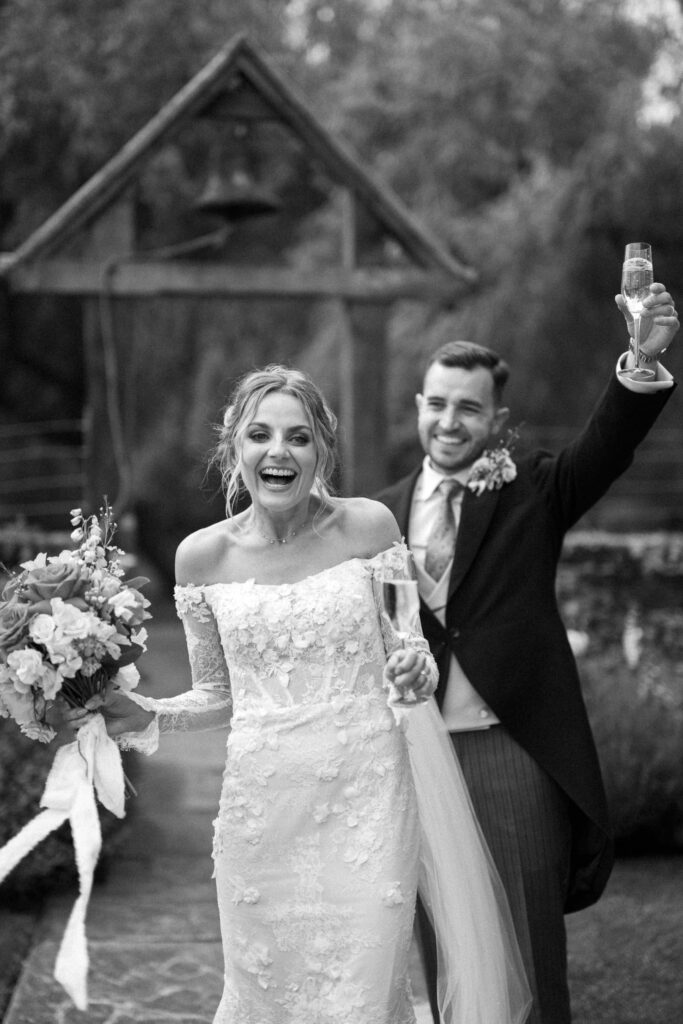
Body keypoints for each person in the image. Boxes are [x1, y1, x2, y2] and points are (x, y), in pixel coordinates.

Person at [60, 365, 531, 1024]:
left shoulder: (369, 529)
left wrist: (415, 669)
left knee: (363, 997)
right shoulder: (201, 559)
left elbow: (408, 642)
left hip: (367, 801)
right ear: (234, 449)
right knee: (267, 998)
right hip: (262, 812)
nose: (278, 451)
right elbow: (216, 694)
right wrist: (142, 713)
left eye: (298, 437)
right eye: (259, 435)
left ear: (322, 451)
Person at [374, 282, 678, 1024]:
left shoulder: (533, 488)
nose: (449, 421)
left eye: (468, 408)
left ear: (495, 419)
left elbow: (605, 446)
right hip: (414, 756)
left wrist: (638, 360)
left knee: (528, 953)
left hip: (509, 748)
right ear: (418, 406)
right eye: (437, 404)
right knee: (442, 942)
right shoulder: (373, 514)